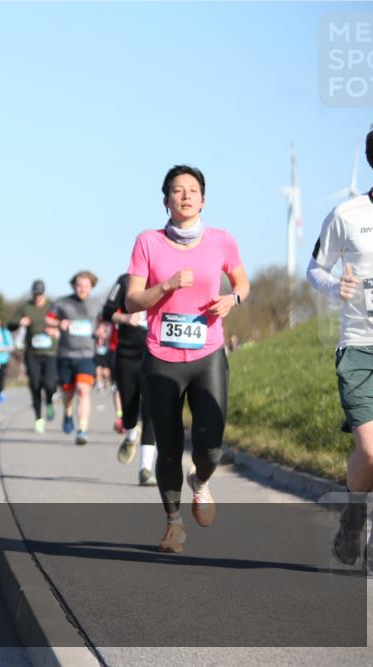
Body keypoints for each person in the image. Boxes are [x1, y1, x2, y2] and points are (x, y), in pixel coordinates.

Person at [126, 164, 249, 553]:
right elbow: (133, 299)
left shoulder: (222, 240)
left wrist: (234, 298)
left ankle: (201, 481)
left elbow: (242, 281)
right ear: (166, 200)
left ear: (203, 199)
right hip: (161, 357)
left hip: (208, 353)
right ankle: (173, 524)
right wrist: (165, 285)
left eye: (193, 190)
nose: (185, 195)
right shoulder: (148, 241)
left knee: (210, 445)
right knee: (168, 443)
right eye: (177, 190)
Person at [306, 114, 373, 574]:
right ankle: (356, 512)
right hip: (360, 346)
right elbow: (314, 268)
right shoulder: (346, 215)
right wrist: (337, 287)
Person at [103, 273, 157, 485]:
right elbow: (107, 312)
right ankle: (131, 433)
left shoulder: (167, 277)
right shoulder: (125, 281)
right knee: (129, 408)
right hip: (128, 352)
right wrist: (125, 318)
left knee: (152, 409)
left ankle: (145, 469)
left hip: (156, 353)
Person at [48, 271, 102, 445]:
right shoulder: (62, 302)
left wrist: (102, 330)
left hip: (86, 355)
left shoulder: (97, 304)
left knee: (83, 390)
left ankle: (82, 430)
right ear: (73, 285)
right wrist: (59, 323)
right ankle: (68, 411)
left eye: (86, 286)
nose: (82, 289)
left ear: (91, 286)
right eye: (79, 285)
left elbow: (104, 322)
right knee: (68, 392)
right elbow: (48, 319)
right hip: (65, 354)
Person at [11, 280, 59, 433]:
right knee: (35, 386)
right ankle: (39, 418)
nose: (38, 296)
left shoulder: (52, 306)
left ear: (44, 293)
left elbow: (64, 322)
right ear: (32, 293)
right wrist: (20, 322)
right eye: (35, 293)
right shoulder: (26, 307)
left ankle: (50, 401)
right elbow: (10, 324)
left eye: (40, 293)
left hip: (50, 353)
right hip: (32, 354)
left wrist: (56, 329)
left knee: (50, 385)